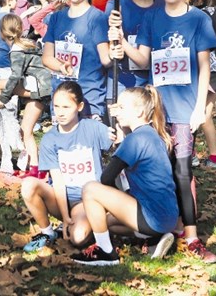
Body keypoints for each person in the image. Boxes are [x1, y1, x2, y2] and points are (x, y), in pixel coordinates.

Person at [110, 0, 216, 263]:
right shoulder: (152, 17)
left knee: (182, 172)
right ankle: (159, 229)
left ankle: (192, 237)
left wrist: (200, 108)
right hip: (156, 110)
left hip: (185, 109)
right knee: (154, 171)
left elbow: (204, 66)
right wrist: (121, 42)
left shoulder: (198, 19)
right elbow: (143, 58)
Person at [73, 86, 178, 265]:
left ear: (138, 111)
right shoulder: (154, 134)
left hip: (152, 215)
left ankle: (106, 253)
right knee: (109, 223)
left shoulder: (135, 139)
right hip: (168, 216)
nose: (116, 112)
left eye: (121, 107)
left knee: (90, 189)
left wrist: (114, 200)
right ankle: (153, 239)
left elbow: (106, 178)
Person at [20, 81, 113, 252]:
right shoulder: (49, 139)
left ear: (79, 106)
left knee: (78, 238)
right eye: (56, 107)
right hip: (59, 197)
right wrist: (65, 218)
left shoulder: (93, 128)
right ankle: (47, 232)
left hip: (86, 200)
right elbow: (58, 181)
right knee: (28, 185)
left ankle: (92, 222)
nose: (60, 113)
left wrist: (119, 131)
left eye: (66, 107)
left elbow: (117, 144)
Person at [42, 0, 116, 121]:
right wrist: (61, 66)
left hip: (88, 98)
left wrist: (115, 51)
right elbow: (47, 58)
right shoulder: (56, 18)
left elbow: (105, 59)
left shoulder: (97, 18)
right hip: (61, 99)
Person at [0, 14, 52, 178]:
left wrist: (3, 98)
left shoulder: (17, 50)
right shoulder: (27, 44)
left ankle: (4, 112)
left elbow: (15, 76)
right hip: (41, 88)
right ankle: (35, 168)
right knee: (26, 130)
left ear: (2, 32)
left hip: (38, 88)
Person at [106, 0, 164, 101]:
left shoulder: (162, 6)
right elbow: (104, 46)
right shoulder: (115, 5)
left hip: (156, 82)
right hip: (122, 82)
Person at [189, 0, 216, 170]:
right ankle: (192, 154)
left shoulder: (201, 14)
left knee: (203, 114)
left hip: (211, 70)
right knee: (198, 112)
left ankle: (214, 158)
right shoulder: (212, 12)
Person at [0, 0, 25, 173]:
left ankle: (14, 145)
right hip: (5, 64)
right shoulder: (9, 18)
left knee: (2, 102)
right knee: (8, 103)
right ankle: (12, 148)